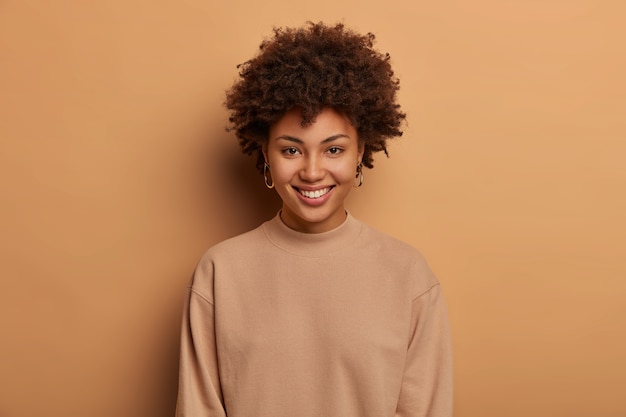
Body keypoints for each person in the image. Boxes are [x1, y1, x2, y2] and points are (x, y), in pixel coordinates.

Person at [175, 22, 453, 417]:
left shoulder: (408, 275)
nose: (311, 171)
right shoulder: (220, 272)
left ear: (360, 152)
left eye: (333, 149)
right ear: (265, 154)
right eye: (291, 150)